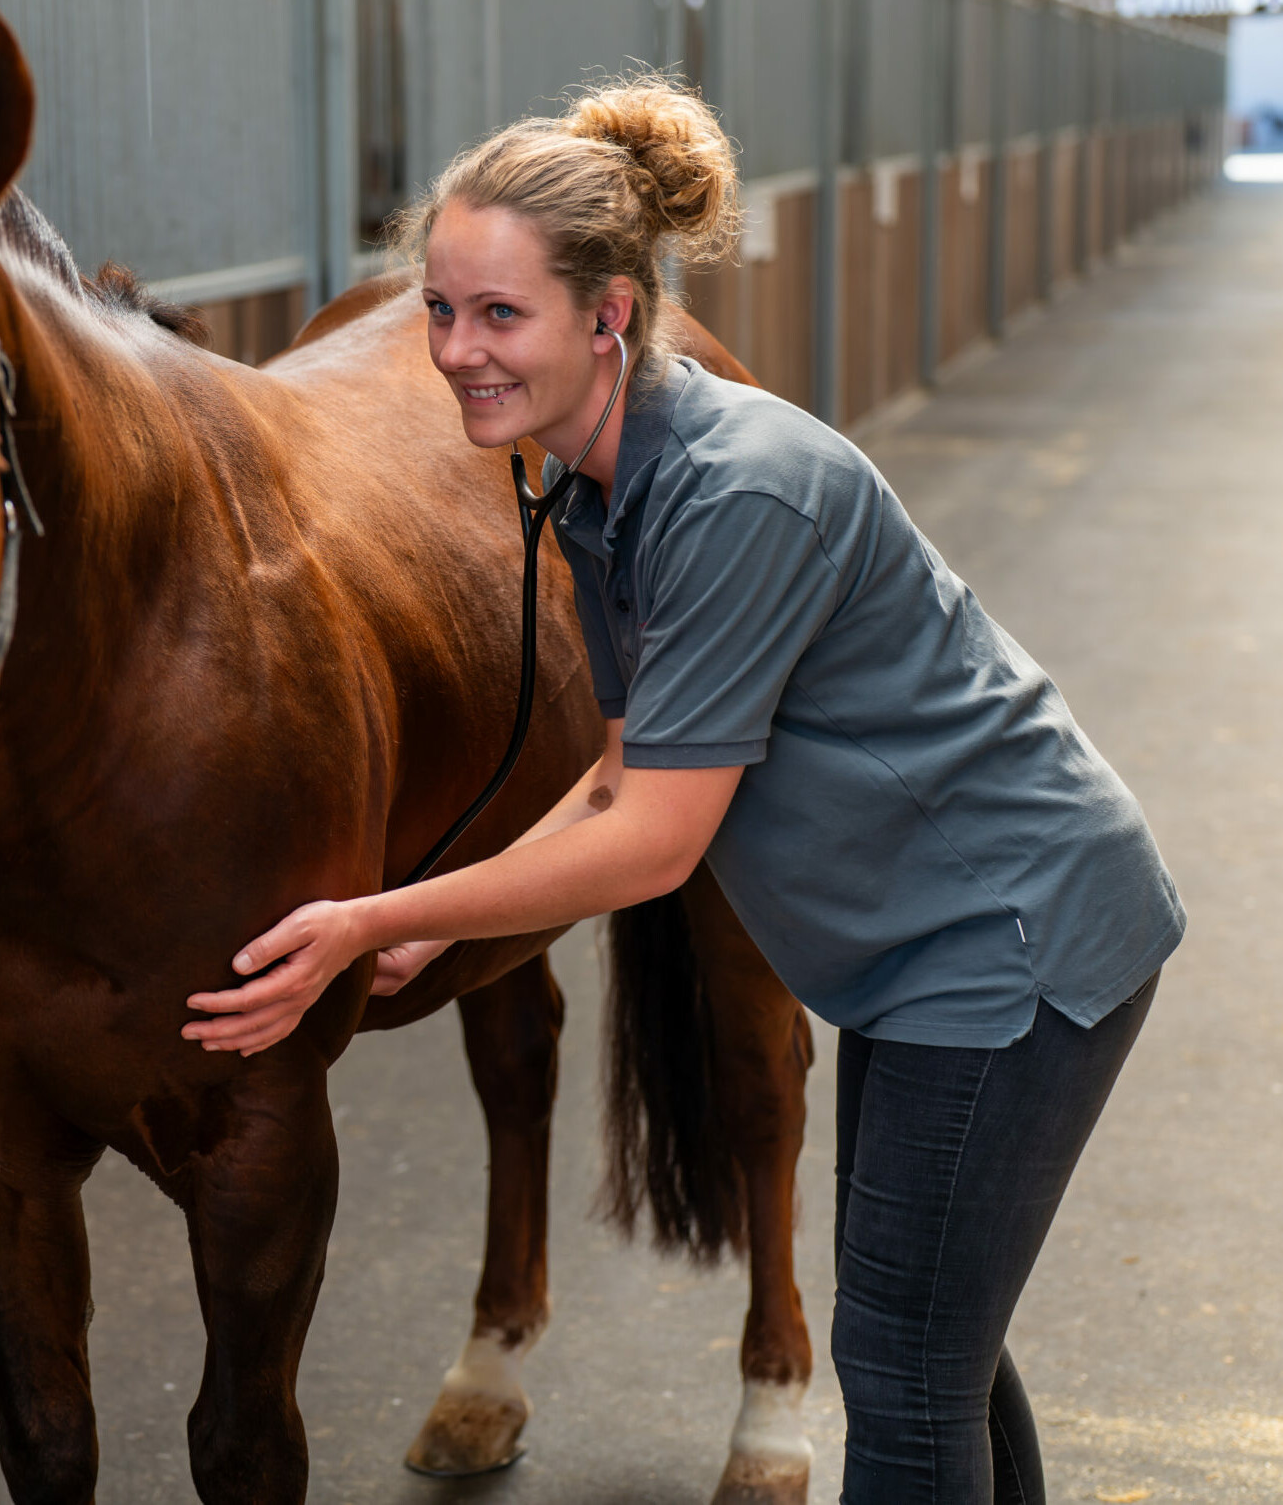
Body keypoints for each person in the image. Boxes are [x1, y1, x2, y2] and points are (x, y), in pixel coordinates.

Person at [182, 79, 1181, 1504]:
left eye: (497, 315)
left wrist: (367, 918)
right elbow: (612, 767)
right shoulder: (591, 485)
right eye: (439, 310)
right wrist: (424, 919)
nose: (454, 352)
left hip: (1013, 942)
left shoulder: (734, 490)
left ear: (609, 317)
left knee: (900, 1379)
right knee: (938, 1352)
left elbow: (654, 841)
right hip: (919, 953)